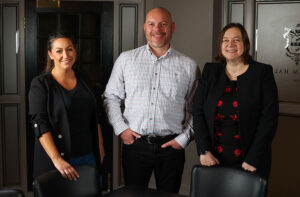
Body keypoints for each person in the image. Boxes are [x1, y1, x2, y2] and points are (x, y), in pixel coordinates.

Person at [103, 7, 198, 193]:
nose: (157, 29)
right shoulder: (126, 60)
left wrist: (184, 138)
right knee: (133, 195)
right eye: (152, 24)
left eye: (163, 24)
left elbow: (198, 109)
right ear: (144, 27)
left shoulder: (189, 66)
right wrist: (121, 129)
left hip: (172, 147)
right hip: (135, 145)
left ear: (172, 27)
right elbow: (111, 96)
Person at [193, 23, 278, 179]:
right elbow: (197, 111)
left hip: (249, 162)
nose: (230, 44)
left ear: (245, 45)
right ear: (220, 46)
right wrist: (204, 150)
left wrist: (253, 159)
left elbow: (269, 119)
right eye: (225, 40)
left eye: (236, 40)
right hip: (213, 159)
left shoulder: (262, 73)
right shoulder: (210, 71)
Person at [28, 32, 105, 182]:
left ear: (75, 51)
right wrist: (57, 159)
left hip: (87, 155)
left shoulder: (84, 78)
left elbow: (95, 116)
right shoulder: (41, 84)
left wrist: (100, 147)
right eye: (59, 51)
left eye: (69, 49)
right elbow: (39, 124)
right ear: (50, 54)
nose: (65, 55)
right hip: (57, 160)